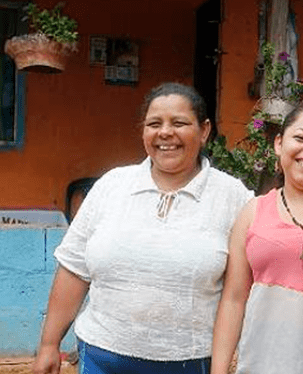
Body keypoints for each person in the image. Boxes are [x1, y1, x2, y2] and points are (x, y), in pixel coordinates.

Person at [33, 82, 253, 374]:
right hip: (102, 359)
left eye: (179, 123)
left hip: (189, 363)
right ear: (143, 132)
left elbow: (238, 292)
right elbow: (74, 268)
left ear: (204, 130)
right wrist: (49, 343)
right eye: (154, 124)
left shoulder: (233, 197)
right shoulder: (112, 185)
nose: (165, 133)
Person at [211, 103, 303, 374]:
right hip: (263, 362)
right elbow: (233, 299)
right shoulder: (253, 212)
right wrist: (219, 370)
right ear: (279, 144)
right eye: (301, 138)